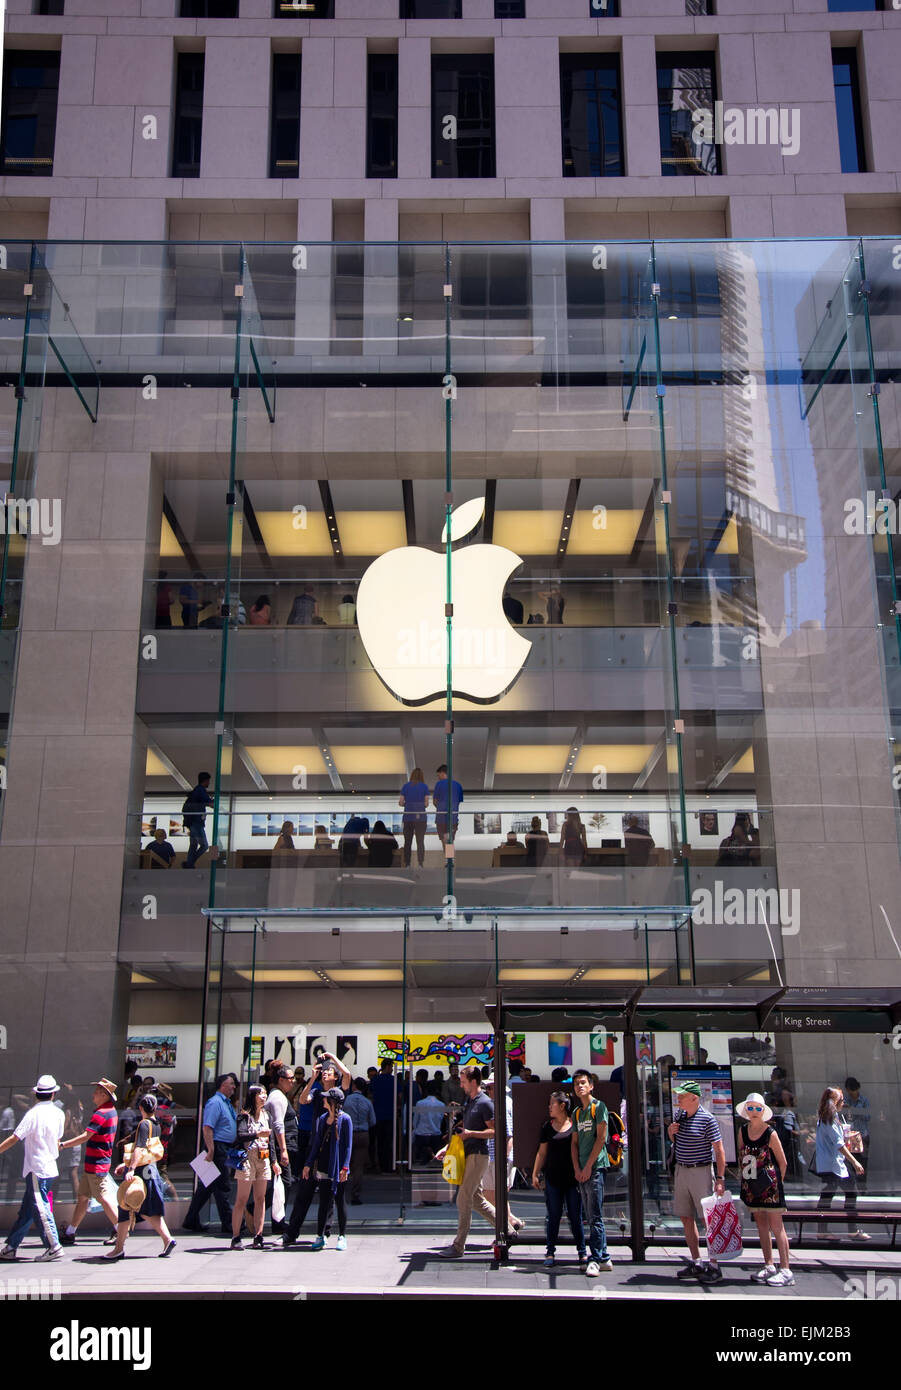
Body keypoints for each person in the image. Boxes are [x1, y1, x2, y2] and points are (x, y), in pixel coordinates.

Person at [283, 1054, 352, 1247]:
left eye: (328, 1072)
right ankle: (292, 1232)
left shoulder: (339, 1093)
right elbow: (303, 1100)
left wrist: (331, 1056)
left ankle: (326, 1232)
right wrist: (312, 1077)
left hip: (333, 1148)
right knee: (305, 1190)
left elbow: (347, 1073)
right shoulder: (316, 1091)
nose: (325, 1074)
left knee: (331, 1194)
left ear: (335, 1076)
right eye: (323, 1072)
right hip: (315, 1145)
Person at [0, 1074, 66, 1262]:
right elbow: (58, 1138)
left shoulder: (33, 1114)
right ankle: (11, 1246)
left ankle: (54, 1245)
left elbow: (15, 1137)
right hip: (48, 1166)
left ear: (37, 1094)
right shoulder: (58, 1113)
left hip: (37, 1167)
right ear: (53, 1094)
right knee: (29, 1209)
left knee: (40, 1208)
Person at [668, 1078, 728, 1283]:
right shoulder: (680, 1116)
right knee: (686, 1216)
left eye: (683, 1096)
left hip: (701, 1171)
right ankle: (696, 1261)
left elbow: (719, 1150)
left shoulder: (707, 1119)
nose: (679, 1099)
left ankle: (714, 1264)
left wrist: (720, 1178)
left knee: (707, 1219)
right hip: (682, 1170)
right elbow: (678, 1141)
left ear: (694, 1098)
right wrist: (671, 1133)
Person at [435, 1065, 496, 1259]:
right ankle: (508, 1229)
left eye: (463, 1081)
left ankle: (458, 1245)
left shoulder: (485, 1103)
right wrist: (448, 1147)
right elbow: (464, 1131)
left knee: (463, 1198)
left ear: (473, 1081)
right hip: (469, 1154)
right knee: (476, 1200)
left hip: (478, 1155)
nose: (460, 1085)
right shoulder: (470, 1101)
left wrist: (471, 1134)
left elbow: (494, 1132)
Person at [105, 1094, 176, 1260]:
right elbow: (146, 1153)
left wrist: (130, 1168)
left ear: (141, 1108)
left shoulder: (144, 1124)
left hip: (140, 1174)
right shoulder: (156, 1125)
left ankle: (119, 1249)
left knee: (129, 1206)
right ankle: (121, 1247)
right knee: (140, 1209)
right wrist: (127, 1165)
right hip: (150, 1171)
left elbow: (139, 1149)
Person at [735, 1093, 793, 1286]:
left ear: (763, 1111)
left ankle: (786, 1269)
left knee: (777, 1226)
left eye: (757, 1108)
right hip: (752, 1185)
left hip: (771, 1186)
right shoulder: (743, 1131)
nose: (753, 1112)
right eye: (750, 1108)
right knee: (761, 1225)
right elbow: (742, 1156)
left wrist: (777, 1183)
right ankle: (769, 1264)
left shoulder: (770, 1133)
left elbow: (782, 1162)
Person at [59, 1079, 121, 1246]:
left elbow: (86, 1136)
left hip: (97, 1163)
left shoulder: (101, 1113)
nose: (93, 1094)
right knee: (83, 1197)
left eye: (96, 1091)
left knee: (102, 1197)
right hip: (95, 1162)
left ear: (103, 1094)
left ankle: (120, 1230)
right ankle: (71, 1232)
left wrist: (63, 1145)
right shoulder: (110, 1111)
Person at [533, 1091, 586, 1269]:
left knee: (575, 1216)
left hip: (573, 1178)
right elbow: (542, 1153)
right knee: (553, 1216)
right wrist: (535, 1173)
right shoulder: (547, 1127)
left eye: (552, 1104)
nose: (549, 1107)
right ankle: (550, 1251)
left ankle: (582, 1252)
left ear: (562, 1106)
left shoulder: (575, 1125)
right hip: (553, 1178)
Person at [183, 1073, 238, 1234]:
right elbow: (207, 1127)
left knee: (206, 1187)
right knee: (222, 1186)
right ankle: (228, 1223)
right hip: (216, 1148)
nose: (234, 1087)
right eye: (231, 1084)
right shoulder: (215, 1103)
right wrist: (211, 1149)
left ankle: (191, 1219)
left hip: (221, 1147)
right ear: (222, 1085)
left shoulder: (225, 1103)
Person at [571, 1069, 613, 1276]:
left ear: (591, 1085)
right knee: (589, 1214)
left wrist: (587, 1166)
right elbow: (574, 1143)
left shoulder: (599, 1107)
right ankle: (602, 1257)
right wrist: (577, 1168)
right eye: (577, 1083)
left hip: (596, 1168)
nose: (580, 1086)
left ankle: (597, 1258)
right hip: (582, 1171)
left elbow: (601, 1139)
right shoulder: (577, 1112)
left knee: (595, 1215)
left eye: (583, 1082)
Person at [815, 1085, 868, 1241]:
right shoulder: (829, 1119)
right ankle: (849, 1230)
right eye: (840, 1099)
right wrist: (855, 1162)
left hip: (832, 1164)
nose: (842, 1102)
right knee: (848, 1193)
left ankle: (824, 1230)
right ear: (833, 1101)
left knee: (830, 1195)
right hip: (833, 1165)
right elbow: (838, 1144)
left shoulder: (830, 1117)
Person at [231, 1085, 279, 1250]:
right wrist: (258, 1134)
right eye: (260, 1094)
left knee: (261, 1198)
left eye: (265, 1094)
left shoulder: (267, 1115)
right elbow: (240, 1135)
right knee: (242, 1199)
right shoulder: (244, 1116)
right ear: (253, 1096)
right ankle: (236, 1236)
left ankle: (258, 1235)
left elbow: (271, 1140)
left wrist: (274, 1161)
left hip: (263, 1157)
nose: (263, 1097)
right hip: (247, 1158)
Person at [304, 1088, 353, 1251]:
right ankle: (320, 1235)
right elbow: (317, 1143)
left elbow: (348, 1146)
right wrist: (309, 1163)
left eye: (326, 1099)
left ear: (333, 1102)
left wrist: (345, 1166)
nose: (323, 1101)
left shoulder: (345, 1119)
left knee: (340, 1200)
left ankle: (342, 1235)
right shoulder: (323, 1119)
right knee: (324, 1201)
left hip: (338, 1166)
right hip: (324, 1164)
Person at [483, 1074, 524, 1235]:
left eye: (491, 1087)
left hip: (499, 1157)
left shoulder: (503, 1104)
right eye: (488, 1087)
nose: (488, 1090)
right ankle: (511, 1222)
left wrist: (505, 1157)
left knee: (496, 1194)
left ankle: (506, 1228)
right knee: (491, 1193)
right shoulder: (498, 1103)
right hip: (494, 1155)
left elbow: (509, 1135)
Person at [264, 1066, 297, 1231]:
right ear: (281, 1080)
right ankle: (258, 1209)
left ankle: (278, 1220)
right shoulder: (277, 1097)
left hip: (283, 1146)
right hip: (279, 1147)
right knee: (284, 1182)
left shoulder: (280, 1096)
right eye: (290, 1078)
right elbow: (277, 1125)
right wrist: (283, 1150)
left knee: (283, 1183)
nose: (293, 1081)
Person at [343, 1078, 376, 1203]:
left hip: (348, 1133)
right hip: (363, 1133)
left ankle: (340, 1192)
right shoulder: (367, 1102)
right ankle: (355, 1194)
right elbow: (373, 1121)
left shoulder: (347, 1100)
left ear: (354, 1086)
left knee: (344, 1163)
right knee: (358, 1166)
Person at [370, 1059, 398, 1173]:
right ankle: (389, 1166)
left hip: (377, 1115)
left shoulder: (375, 1080)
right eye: (391, 1067)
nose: (392, 1069)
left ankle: (380, 1166)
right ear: (387, 1067)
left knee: (380, 1142)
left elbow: (370, 1096)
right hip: (391, 1115)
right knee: (390, 1142)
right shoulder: (394, 1080)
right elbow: (399, 1096)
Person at [843, 1077, 871, 1189]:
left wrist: (855, 1110)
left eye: (853, 1090)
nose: (852, 1093)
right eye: (850, 1090)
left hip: (862, 1135)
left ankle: (862, 1188)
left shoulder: (864, 1101)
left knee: (863, 1161)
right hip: (850, 1136)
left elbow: (868, 1116)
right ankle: (852, 1187)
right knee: (851, 1161)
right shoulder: (845, 1101)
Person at [182, 771, 214, 869]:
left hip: (191, 822)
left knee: (193, 845)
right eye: (208, 781)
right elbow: (211, 804)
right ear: (206, 780)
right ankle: (189, 864)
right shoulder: (200, 790)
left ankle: (189, 864)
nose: (209, 783)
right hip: (196, 823)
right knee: (204, 845)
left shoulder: (196, 791)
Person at [411, 1080, 447, 1166]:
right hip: (435, 1135)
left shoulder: (420, 1103)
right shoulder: (441, 1105)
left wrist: (415, 1129)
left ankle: (427, 1156)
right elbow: (441, 1120)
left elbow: (415, 1121)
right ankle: (432, 1156)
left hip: (421, 1135)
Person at [399, 767, 429, 868]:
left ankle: (407, 864)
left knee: (407, 841)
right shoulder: (424, 787)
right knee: (420, 841)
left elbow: (401, 802)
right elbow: (426, 804)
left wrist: (408, 804)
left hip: (408, 817)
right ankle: (421, 863)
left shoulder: (405, 786)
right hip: (420, 818)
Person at [58, 1085, 84, 1201]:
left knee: (58, 1174)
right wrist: (72, 1090)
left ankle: (52, 1199)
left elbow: (63, 1130)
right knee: (73, 1173)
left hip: (67, 1143)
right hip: (76, 1143)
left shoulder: (67, 1111)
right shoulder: (79, 1109)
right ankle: (76, 1200)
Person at [154, 1081, 178, 1199]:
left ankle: (175, 1201)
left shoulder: (161, 1111)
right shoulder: (167, 1112)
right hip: (161, 1150)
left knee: (163, 1178)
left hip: (158, 1152)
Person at [433, 763, 463, 845]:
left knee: (444, 842)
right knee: (449, 841)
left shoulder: (439, 784)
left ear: (443, 773)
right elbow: (458, 802)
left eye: (438, 775)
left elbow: (435, 802)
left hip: (441, 818)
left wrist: (440, 806)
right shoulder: (458, 785)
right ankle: (449, 856)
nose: (438, 778)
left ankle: (449, 857)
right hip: (453, 818)